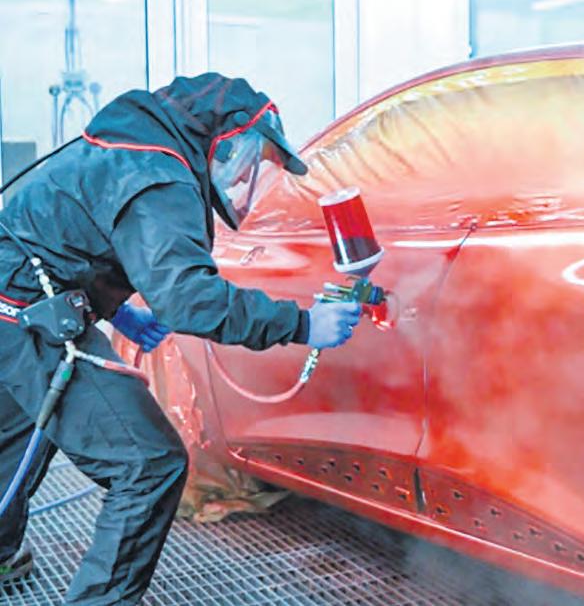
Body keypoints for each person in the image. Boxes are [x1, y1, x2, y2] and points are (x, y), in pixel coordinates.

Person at [0, 73, 360, 604]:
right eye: (249, 160)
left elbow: (72, 235)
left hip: (14, 307)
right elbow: (191, 299)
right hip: (31, 320)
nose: (246, 178)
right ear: (221, 140)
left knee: (14, 441)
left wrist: (117, 313)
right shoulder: (160, 175)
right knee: (149, 465)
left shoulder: (135, 143)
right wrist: (304, 324)